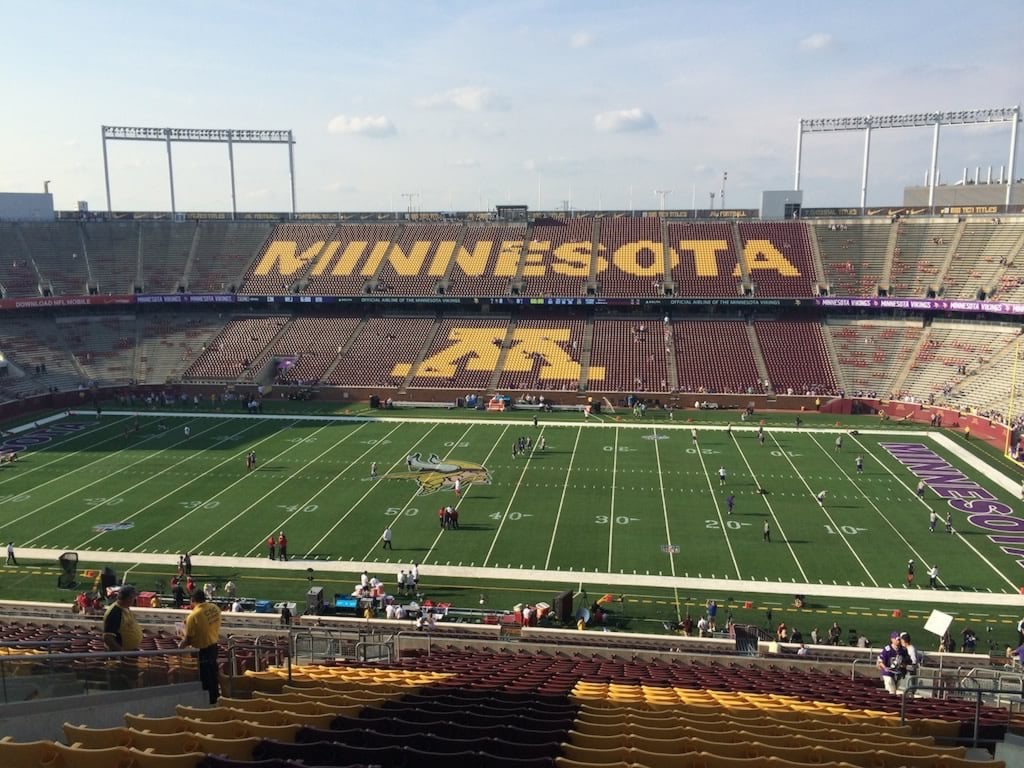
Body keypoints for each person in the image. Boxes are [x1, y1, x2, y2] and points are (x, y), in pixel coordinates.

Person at [179, 589, 222, 705]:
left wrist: (180, 646)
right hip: (214, 646)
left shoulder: (193, 616)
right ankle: (216, 697)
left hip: (202, 650)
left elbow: (188, 640)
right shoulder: (215, 608)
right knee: (213, 674)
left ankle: (210, 702)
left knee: (205, 678)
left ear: (192, 600)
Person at [103, 584, 142, 689]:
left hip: (130, 653)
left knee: (132, 678)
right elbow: (108, 638)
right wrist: (122, 653)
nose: (135, 599)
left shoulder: (125, 608)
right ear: (129, 598)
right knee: (126, 681)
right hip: (124, 655)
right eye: (134, 597)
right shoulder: (115, 612)